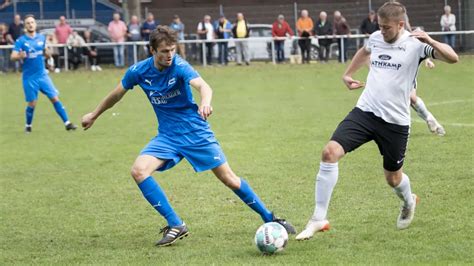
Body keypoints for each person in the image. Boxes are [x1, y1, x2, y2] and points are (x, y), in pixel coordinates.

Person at [81, 25, 296, 246]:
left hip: (195, 132)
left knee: (229, 179)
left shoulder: (180, 66)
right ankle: (176, 224)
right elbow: (117, 94)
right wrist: (94, 114)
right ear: (152, 50)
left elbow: (203, 86)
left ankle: (270, 217)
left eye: (172, 50)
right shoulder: (138, 71)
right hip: (167, 137)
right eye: (164, 51)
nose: (169, 55)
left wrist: (205, 103)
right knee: (138, 171)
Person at [296, 2, 458, 240]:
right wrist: (348, 74)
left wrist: (431, 41)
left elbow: (453, 58)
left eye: (387, 28)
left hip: (395, 123)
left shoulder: (416, 44)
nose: (382, 31)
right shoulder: (376, 37)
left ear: (400, 24)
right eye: (380, 27)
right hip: (365, 112)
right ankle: (318, 219)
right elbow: (365, 51)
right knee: (329, 152)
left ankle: (409, 200)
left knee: (393, 178)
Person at [10, 15, 78, 133]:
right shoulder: (21, 41)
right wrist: (19, 56)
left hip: (42, 75)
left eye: (32, 22)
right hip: (29, 77)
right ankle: (28, 126)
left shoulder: (41, 38)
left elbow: (47, 53)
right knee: (32, 103)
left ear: (35, 24)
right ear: (25, 26)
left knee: (54, 98)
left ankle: (67, 123)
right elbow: (12, 56)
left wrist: (48, 53)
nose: (30, 24)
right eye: (28, 23)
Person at [404, 15, 445, 135]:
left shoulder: (410, 36)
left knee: (411, 98)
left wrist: (427, 60)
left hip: (408, 74)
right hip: (391, 74)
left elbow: (420, 49)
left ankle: (430, 119)